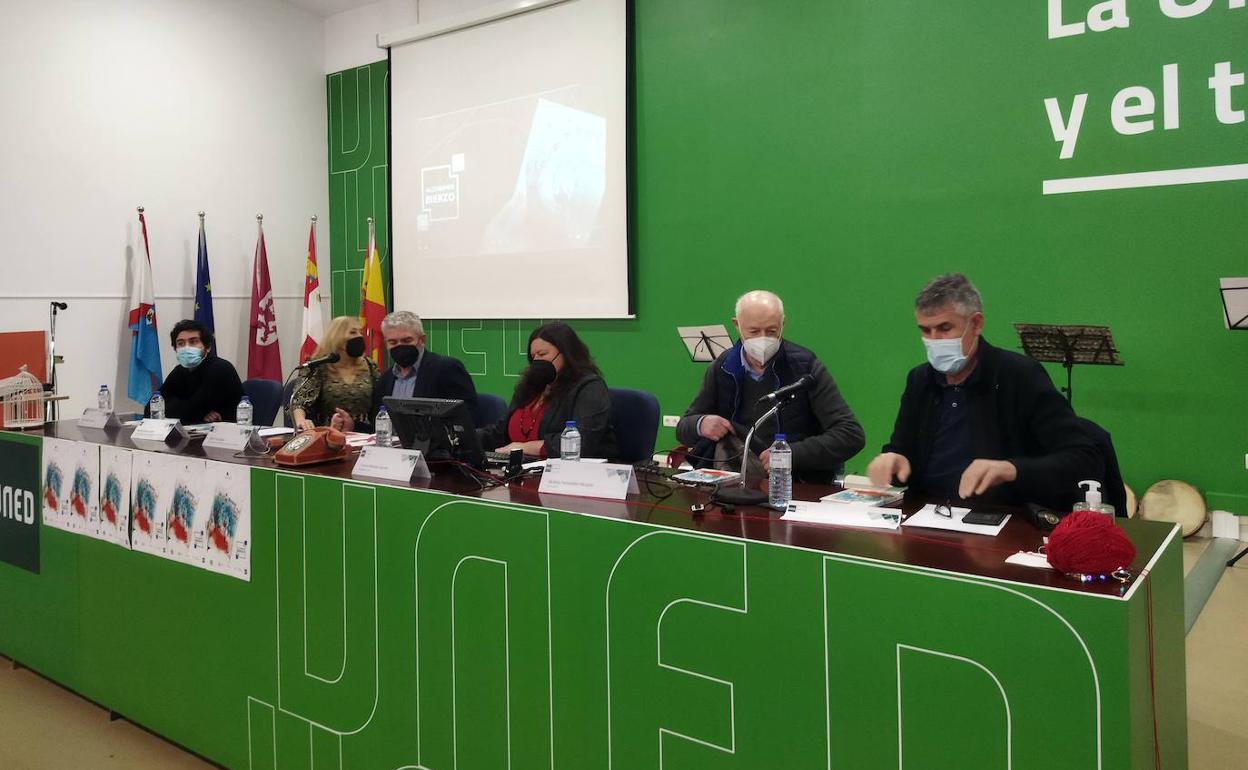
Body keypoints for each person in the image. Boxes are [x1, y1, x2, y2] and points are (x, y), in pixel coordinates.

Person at [865, 273, 1101, 509]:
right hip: (925, 512)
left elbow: (1082, 459)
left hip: (999, 518)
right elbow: (902, 448)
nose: (934, 340)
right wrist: (893, 459)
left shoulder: (1019, 375)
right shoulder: (920, 379)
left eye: (944, 328)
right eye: (925, 331)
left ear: (976, 324)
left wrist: (1011, 469)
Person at [676, 290, 864, 483]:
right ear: (737, 325)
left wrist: (790, 454)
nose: (763, 338)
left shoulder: (805, 368)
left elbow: (850, 434)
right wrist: (701, 423)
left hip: (796, 484)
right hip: (732, 480)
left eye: (772, 331)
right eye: (754, 331)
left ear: (783, 324)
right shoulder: (722, 367)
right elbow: (683, 428)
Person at [477, 322, 618, 460]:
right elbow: (498, 433)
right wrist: (464, 437)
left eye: (542, 354)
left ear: (566, 354)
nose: (536, 361)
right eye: (533, 357)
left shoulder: (589, 387)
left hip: (573, 476)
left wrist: (526, 447)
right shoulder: (529, 388)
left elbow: (581, 442)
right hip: (522, 472)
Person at [330, 311, 478, 432]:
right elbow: (379, 430)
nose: (400, 347)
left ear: (422, 340)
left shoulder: (446, 369)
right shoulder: (385, 380)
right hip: (390, 456)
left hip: (435, 457)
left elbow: (468, 418)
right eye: (393, 342)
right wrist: (352, 426)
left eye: (407, 341)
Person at [289, 316, 379, 431]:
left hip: (364, 432)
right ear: (337, 338)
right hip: (327, 432)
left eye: (359, 332)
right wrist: (301, 421)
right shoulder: (318, 366)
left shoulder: (370, 365)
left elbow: (380, 403)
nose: (360, 336)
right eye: (353, 332)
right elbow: (298, 402)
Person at [148, 319, 243, 424]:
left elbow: (190, 411)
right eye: (181, 343)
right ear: (175, 349)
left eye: (193, 342)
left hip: (227, 435)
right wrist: (196, 413)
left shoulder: (220, 368)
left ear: (208, 347)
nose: (186, 347)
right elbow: (150, 409)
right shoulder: (179, 371)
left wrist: (174, 405)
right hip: (196, 432)